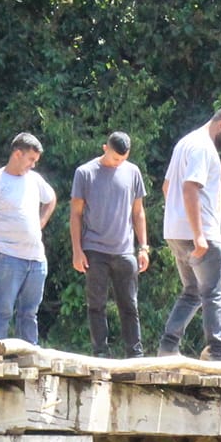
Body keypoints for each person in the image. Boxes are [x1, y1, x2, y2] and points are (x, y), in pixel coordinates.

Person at [159, 106, 221, 360]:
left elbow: (167, 187)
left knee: (193, 291)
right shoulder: (203, 147)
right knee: (214, 291)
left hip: (175, 232)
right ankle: (218, 353)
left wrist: (178, 218)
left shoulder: (185, 143)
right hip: (202, 234)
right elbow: (189, 188)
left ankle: (168, 347)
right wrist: (198, 233)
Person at [0, 133, 58, 348]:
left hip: (36, 258)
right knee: (3, 308)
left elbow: (51, 199)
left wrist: (41, 222)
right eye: (31, 160)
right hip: (8, 257)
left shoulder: (35, 180)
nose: (33, 165)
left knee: (29, 312)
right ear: (17, 154)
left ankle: (27, 355)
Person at [69, 132, 150, 357]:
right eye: (115, 158)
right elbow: (75, 214)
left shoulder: (133, 172)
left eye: (123, 159)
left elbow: (138, 212)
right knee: (96, 304)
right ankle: (101, 353)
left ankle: (135, 354)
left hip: (125, 250)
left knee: (130, 305)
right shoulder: (85, 173)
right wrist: (77, 250)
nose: (118, 163)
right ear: (105, 148)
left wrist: (143, 247)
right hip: (94, 249)